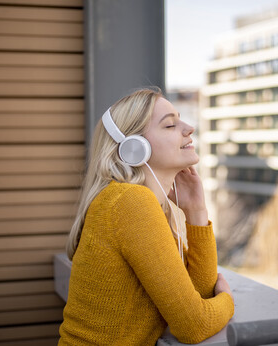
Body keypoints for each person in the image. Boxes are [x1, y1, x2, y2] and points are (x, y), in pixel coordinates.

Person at [58, 87, 235, 345]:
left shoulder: (147, 207)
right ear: (133, 147)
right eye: (170, 125)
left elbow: (199, 295)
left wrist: (196, 211)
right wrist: (228, 300)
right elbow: (195, 325)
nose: (189, 128)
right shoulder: (129, 203)